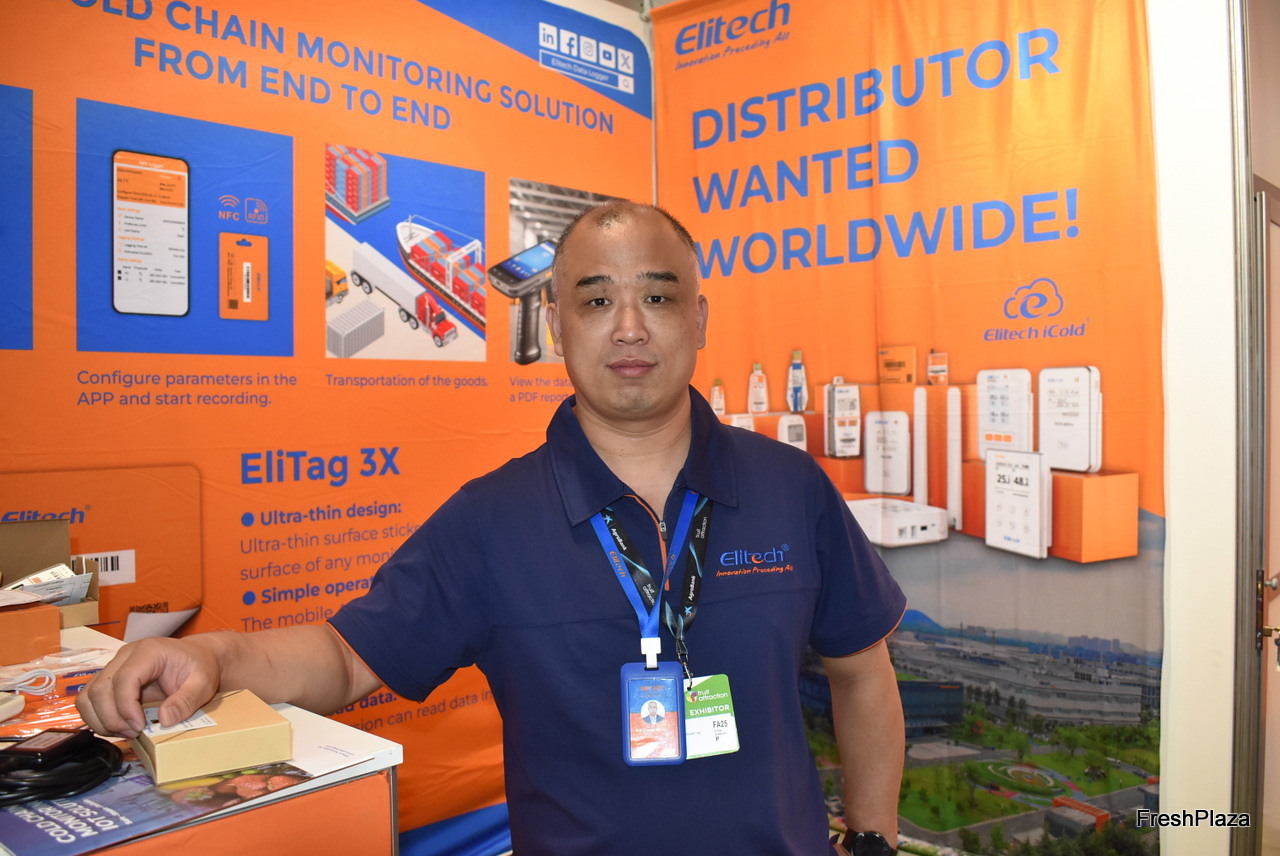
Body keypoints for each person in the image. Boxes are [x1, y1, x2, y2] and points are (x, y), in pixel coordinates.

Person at [77, 201, 907, 856]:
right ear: (556, 325)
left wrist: (872, 839)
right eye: (596, 300)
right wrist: (215, 657)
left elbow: (862, 671)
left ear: (699, 318)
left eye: (657, 296)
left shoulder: (791, 487)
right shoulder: (492, 519)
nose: (629, 326)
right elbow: (346, 656)